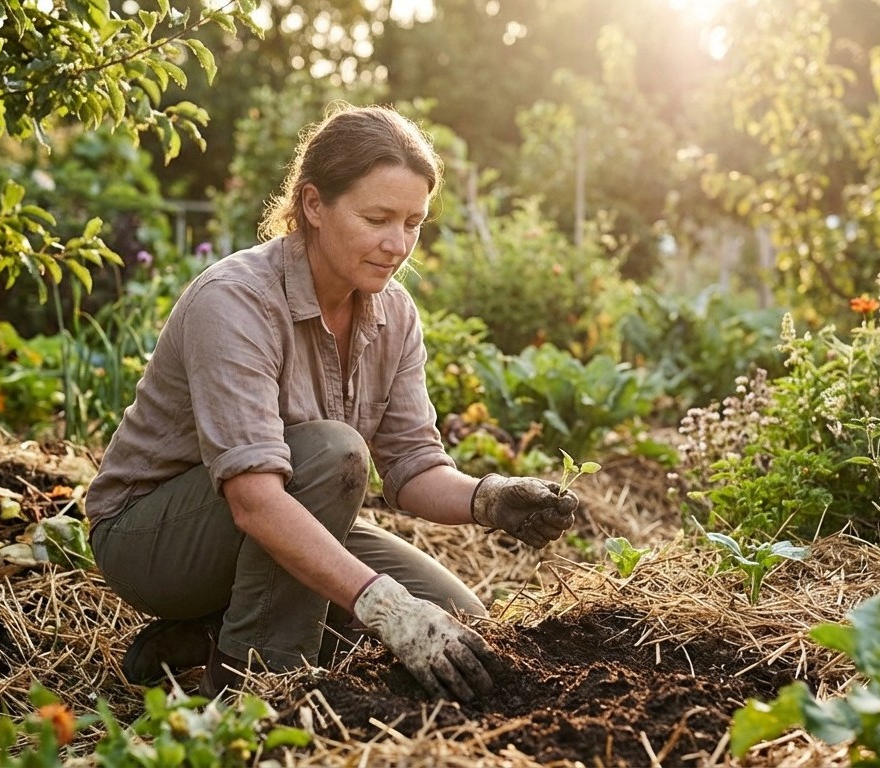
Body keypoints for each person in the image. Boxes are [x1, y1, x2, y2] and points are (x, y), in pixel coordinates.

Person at [85, 102, 580, 703]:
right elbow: (255, 500)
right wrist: (384, 607)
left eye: (413, 223)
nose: (398, 244)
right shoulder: (236, 302)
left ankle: (204, 635)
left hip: (279, 515)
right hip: (156, 542)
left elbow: (414, 468)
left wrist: (491, 498)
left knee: (461, 622)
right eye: (377, 218)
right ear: (314, 205)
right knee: (334, 455)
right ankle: (255, 687)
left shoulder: (393, 313)